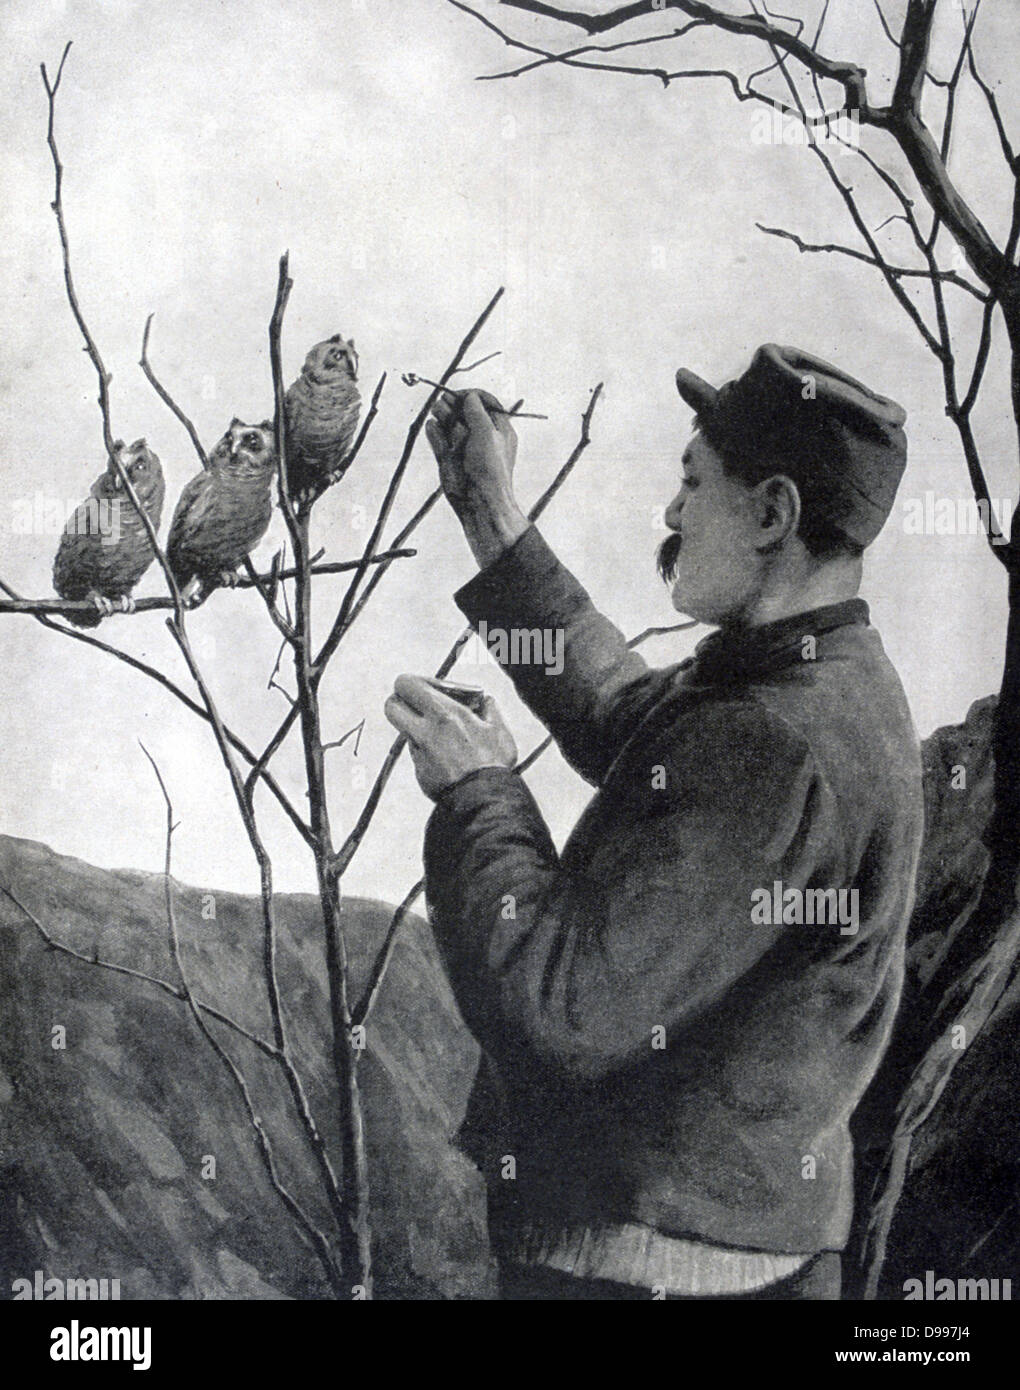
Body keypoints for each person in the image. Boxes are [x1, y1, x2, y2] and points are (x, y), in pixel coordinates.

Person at [384, 344, 925, 1300]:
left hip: (649, 1271)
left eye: (692, 482)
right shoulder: (823, 675)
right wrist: (492, 518)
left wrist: (481, 793)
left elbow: (561, 1010)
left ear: (771, 514)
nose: (672, 514)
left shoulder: (773, 738)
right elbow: (631, 718)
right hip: (726, 1248)